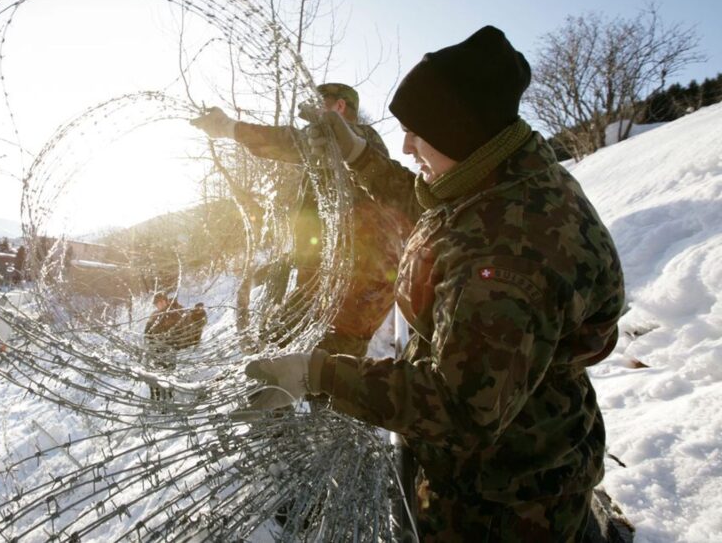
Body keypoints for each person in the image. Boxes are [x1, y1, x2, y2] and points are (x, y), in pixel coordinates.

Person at [241, 26, 625, 542]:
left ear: (458, 130)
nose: (405, 144)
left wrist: (317, 374)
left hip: (503, 496)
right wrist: (359, 155)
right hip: (497, 451)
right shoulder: (503, 170)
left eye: (418, 132)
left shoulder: (508, 256)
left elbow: (460, 405)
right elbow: (429, 203)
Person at [190, 83, 410, 356]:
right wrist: (289, 260)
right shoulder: (329, 159)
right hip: (330, 280)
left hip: (353, 287)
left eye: (321, 103)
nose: (311, 110)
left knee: (330, 371)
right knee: (278, 346)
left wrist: (228, 128)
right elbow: (323, 224)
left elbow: (292, 142)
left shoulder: (355, 137)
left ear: (340, 106)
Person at [143, 292, 193, 401]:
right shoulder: (154, 315)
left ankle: (168, 399)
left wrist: (174, 342)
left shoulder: (175, 312)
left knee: (167, 375)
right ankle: (156, 398)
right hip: (155, 350)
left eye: (161, 302)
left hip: (170, 349)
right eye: (157, 303)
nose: (159, 305)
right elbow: (147, 332)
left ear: (166, 301)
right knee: (154, 374)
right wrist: (150, 342)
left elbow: (183, 328)